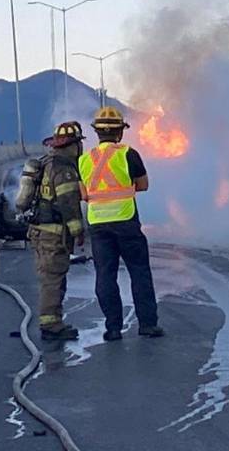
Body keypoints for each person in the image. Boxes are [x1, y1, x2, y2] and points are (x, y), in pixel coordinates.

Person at [79, 106, 163, 341]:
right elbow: (143, 185)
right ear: (120, 132)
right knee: (139, 272)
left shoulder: (84, 159)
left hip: (98, 225)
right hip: (126, 222)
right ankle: (147, 324)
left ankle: (113, 328)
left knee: (105, 275)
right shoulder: (129, 154)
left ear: (97, 132)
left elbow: (83, 193)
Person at [14, 121, 85, 341]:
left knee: (51, 277)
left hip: (39, 231)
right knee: (52, 280)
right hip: (53, 234)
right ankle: (51, 326)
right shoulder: (63, 169)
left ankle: (53, 321)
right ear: (73, 145)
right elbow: (68, 203)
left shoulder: (45, 163)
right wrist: (78, 230)